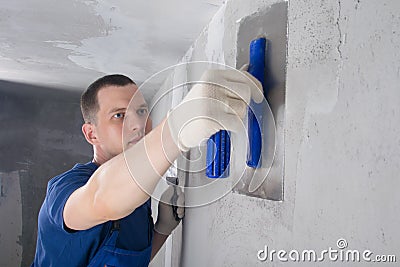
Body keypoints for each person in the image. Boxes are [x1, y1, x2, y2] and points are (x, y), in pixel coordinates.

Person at [31, 68, 263, 266]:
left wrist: (162, 229)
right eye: (119, 115)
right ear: (91, 133)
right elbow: (100, 199)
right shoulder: (64, 189)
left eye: (141, 111)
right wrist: (176, 129)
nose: (138, 124)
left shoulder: (139, 197)